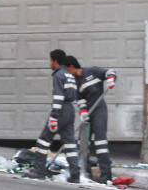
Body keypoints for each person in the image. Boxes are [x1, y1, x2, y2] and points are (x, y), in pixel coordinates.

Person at [23, 49, 80, 182]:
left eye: (50, 60)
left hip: (60, 110)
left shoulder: (59, 75)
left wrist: (54, 116)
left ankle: (38, 170)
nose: (49, 63)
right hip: (70, 110)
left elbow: (59, 97)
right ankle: (75, 174)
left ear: (55, 61)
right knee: (70, 144)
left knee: (43, 141)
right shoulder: (69, 75)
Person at [64, 55, 117, 183]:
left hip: (99, 110)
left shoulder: (92, 72)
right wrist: (82, 111)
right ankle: (84, 171)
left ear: (71, 67)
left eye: (66, 70)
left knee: (100, 143)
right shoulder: (76, 82)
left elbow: (110, 72)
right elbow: (80, 99)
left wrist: (111, 79)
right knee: (82, 143)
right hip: (88, 113)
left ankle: (106, 174)